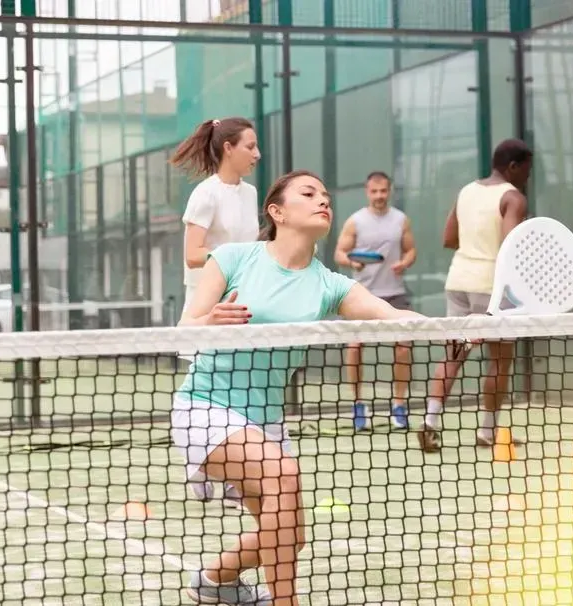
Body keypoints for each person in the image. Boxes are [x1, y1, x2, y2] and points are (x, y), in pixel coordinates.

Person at [172, 170, 423, 606]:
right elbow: (182, 331)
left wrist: (457, 328)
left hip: (265, 421)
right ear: (277, 212)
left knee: (290, 539)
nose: (322, 201)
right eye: (308, 194)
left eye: (325, 195)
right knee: (285, 475)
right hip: (205, 408)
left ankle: (213, 581)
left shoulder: (328, 283)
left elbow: (387, 312)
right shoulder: (233, 259)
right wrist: (209, 323)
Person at [417, 139, 533, 453]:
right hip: (491, 288)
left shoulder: (466, 191)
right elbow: (511, 248)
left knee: (452, 355)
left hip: (458, 281)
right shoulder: (513, 198)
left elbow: (449, 238)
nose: (527, 176)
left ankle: (429, 422)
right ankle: (487, 431)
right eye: (526, 169)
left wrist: (476, 247)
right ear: (513, 166)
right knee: (499, 362)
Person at [170, 116, 262, 509]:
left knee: (240, 387)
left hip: (242, 302)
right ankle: (197, 462)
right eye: (250, 146)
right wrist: (232, 256)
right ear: (229, 148)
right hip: (207, 304)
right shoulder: (204, 195)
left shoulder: (251, 192)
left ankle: (232, 475)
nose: (257, 154)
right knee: (204, 388)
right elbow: (192, 256)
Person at [333, 171, 417, 432]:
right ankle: (358, 405)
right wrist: (352, 262)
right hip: (363, 295)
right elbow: (339, 252)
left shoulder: (400, 220)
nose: (379, 196)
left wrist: (405, 262)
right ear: (367, 192)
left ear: (389, 191)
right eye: (374, 191)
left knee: (403, 347)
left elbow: (411, 249)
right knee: (355, 347)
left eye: (383, 191)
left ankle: (400, 405)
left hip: (394, 293)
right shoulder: (355, 221)